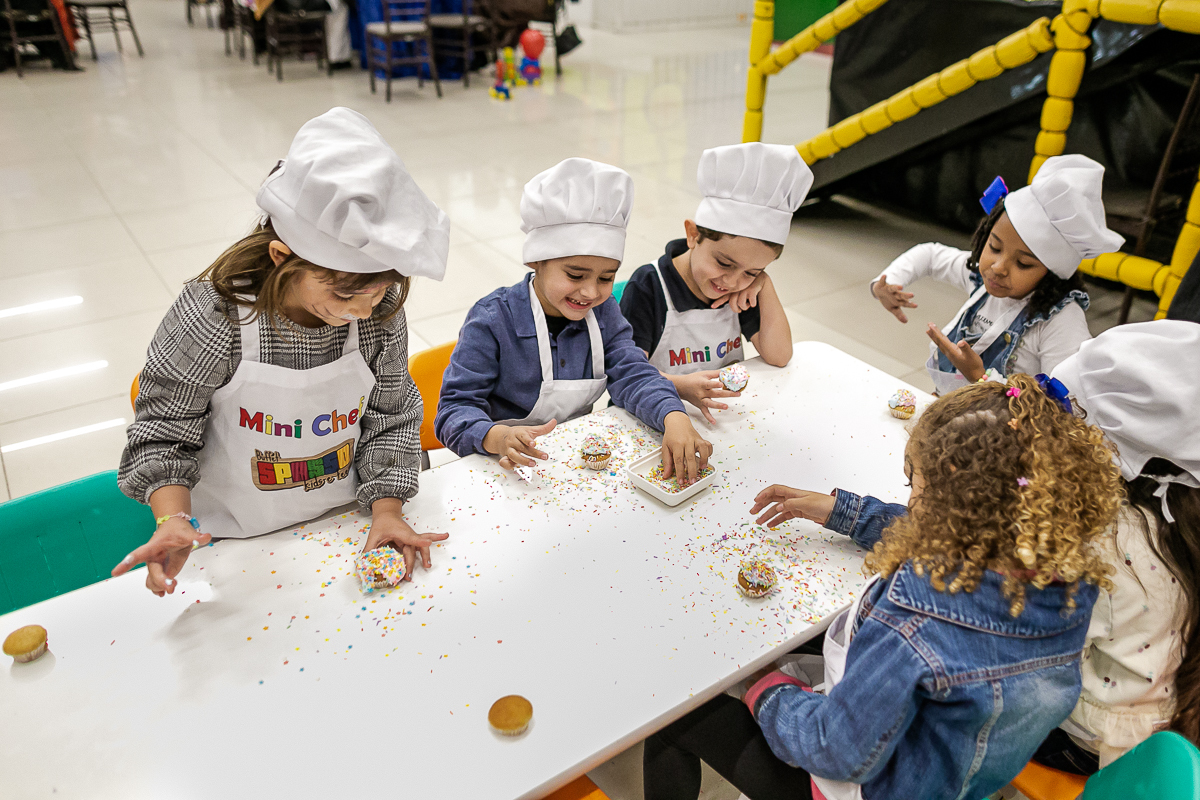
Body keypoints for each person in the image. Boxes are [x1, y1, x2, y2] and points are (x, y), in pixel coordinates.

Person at [643, 374, 1123, 800]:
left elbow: (834, 751)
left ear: (952, 502)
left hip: (861, 784)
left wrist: (762, 686)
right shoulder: (1063, 576)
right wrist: (843, 511)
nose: (910, 496)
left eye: (916, 482)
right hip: (956, 775)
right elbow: (935, 534)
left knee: (681, 710)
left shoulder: (916, 622)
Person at [114, 108, 449, 596]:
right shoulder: (217, 317)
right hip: (242, 547)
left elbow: (391, 418)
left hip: (350, 526)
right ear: (282, 257)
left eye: (379, 290)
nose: (363, 310)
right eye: (343, 293)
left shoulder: (379, 313)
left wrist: (388, 511)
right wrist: (173, 519)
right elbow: (164, 435)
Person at [435, 158, 712, 484]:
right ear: (537, 260)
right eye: (575, 274)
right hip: (499, 467)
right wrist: (495, 436)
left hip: (570, 465)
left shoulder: (604, 312)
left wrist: (673, 415)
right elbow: (453, 411)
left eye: (606, 277)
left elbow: (633, 374)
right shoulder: (493, 321)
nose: (590, 292)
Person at [1030, 320, 1200, 771]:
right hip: (1152, 720)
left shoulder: (1103, 540)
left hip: (1086, 737)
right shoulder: (1178, 520)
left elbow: (1038, 658)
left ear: (1108, 448)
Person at [871, 154, 1123, 394]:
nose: (998, 267)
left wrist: (982, 379)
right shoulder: (981, 279)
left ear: (1052, 274)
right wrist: (886, 284)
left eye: (1023, 263)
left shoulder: (1060, 322)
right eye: (994, 246)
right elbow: (930, 255)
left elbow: (1059, 405)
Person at [619, 143, 807, 423]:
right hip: (653, 415)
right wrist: (680, 386)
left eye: (752, 272)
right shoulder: (649, 286)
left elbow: (779, 355)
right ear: (693, 234)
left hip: (719, 421)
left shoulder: (746, 288)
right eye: (724, 263)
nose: (732, 281)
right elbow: (627, 375)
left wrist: (764, 285)